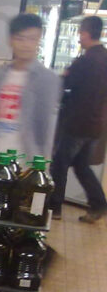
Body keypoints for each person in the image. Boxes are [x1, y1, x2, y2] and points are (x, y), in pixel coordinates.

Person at [0, 13, 61, 161]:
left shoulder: (47, 79)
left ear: (39, 40)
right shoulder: (2, 74)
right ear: (10, 40)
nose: (26, 45)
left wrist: (44, 160)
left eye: (32, 39)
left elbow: (47, 126)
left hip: (27, 160)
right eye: (20, 38)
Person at [49, 15, 107, 223]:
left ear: (86, 33)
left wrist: (64, 75)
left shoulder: (84, 61)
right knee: (81, 165)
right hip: (96, 124)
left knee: (59, 164)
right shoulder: (105, 57)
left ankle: (54, 207)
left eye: (80, 32)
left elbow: (65, 84)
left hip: (77, 123)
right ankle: (98, 204)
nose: (79, 37)